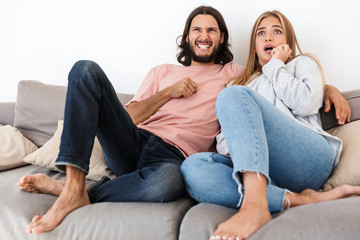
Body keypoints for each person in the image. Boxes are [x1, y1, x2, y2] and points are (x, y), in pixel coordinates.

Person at [17, 6, 348, 235]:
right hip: (134, 142)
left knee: (169, 180)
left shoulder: (235, 76)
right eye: (197, 29)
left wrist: (328, 88)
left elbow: (283, 88)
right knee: (85, 69)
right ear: (187, 37)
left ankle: (86, 193)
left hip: (171, 156)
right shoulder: (163, 72)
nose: (204, 35)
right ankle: (74, 186)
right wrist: (168, 93)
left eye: (212, 30)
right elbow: (129, 117)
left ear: (222, 40)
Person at [180, 10, 359, 240]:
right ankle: (299, 199)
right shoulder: (241, 83)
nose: (268, 38)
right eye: (261, 33)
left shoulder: (303, 64)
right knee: (192, 168)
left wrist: (276, 65)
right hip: (264, 169)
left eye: (277, 31)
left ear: (288, 41)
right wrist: (245, 152)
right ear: (254, 44)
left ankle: (254, 207)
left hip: (307, 158)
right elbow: (225, 139)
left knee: (233, 95)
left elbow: (305, 104)